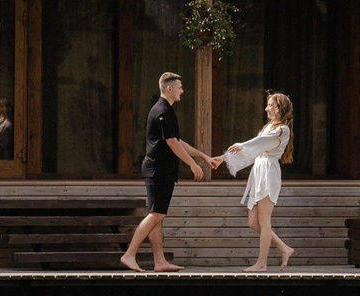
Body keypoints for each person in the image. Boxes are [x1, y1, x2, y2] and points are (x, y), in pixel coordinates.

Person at [121, 71, 210, 272]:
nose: (182, 91)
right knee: (156, 214)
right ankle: (129, 254)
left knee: (158, 215)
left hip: (163, 170)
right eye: (179, 87)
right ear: (169, 89)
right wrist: (192, 165)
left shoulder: (167, 111)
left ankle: (159, 261)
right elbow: (171, 143)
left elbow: (178, 141)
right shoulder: (161, 111)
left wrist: (203, 157)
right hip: (157, 170)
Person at [223, 92, 298, 271]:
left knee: (264, 220)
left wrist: (242, 145)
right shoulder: (268, 127)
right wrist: (223, 158)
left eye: (270, 105)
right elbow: (253, 151)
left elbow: (258, 143)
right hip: (259, 171)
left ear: (280, 108)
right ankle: (284, 248)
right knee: (253, 222)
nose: (267, 109)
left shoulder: (283, 130)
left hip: (268, 173)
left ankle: (261, 263)